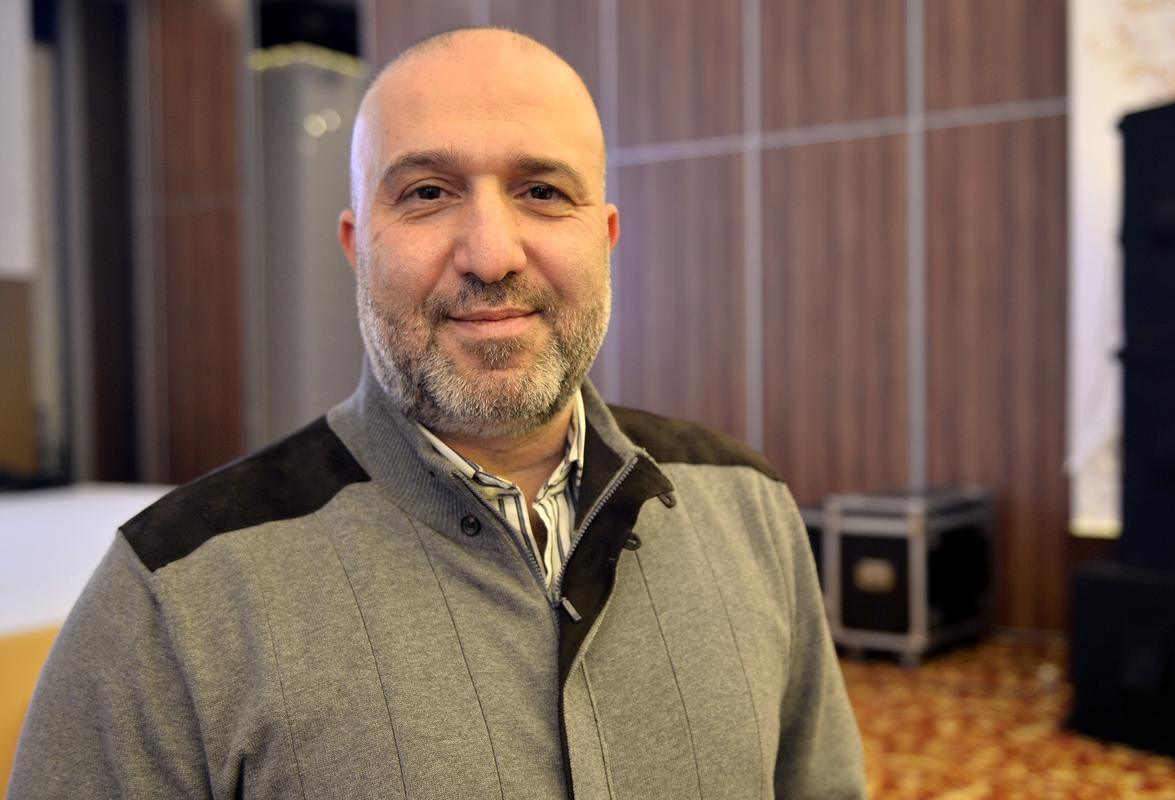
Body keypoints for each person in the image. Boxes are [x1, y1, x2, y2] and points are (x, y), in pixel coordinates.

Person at [9, 28, 865, 800]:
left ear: (603, 240)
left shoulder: (747, 508)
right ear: (358, 248)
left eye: (540, 190)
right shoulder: (174, 596)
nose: (490, 254)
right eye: (426, 192)